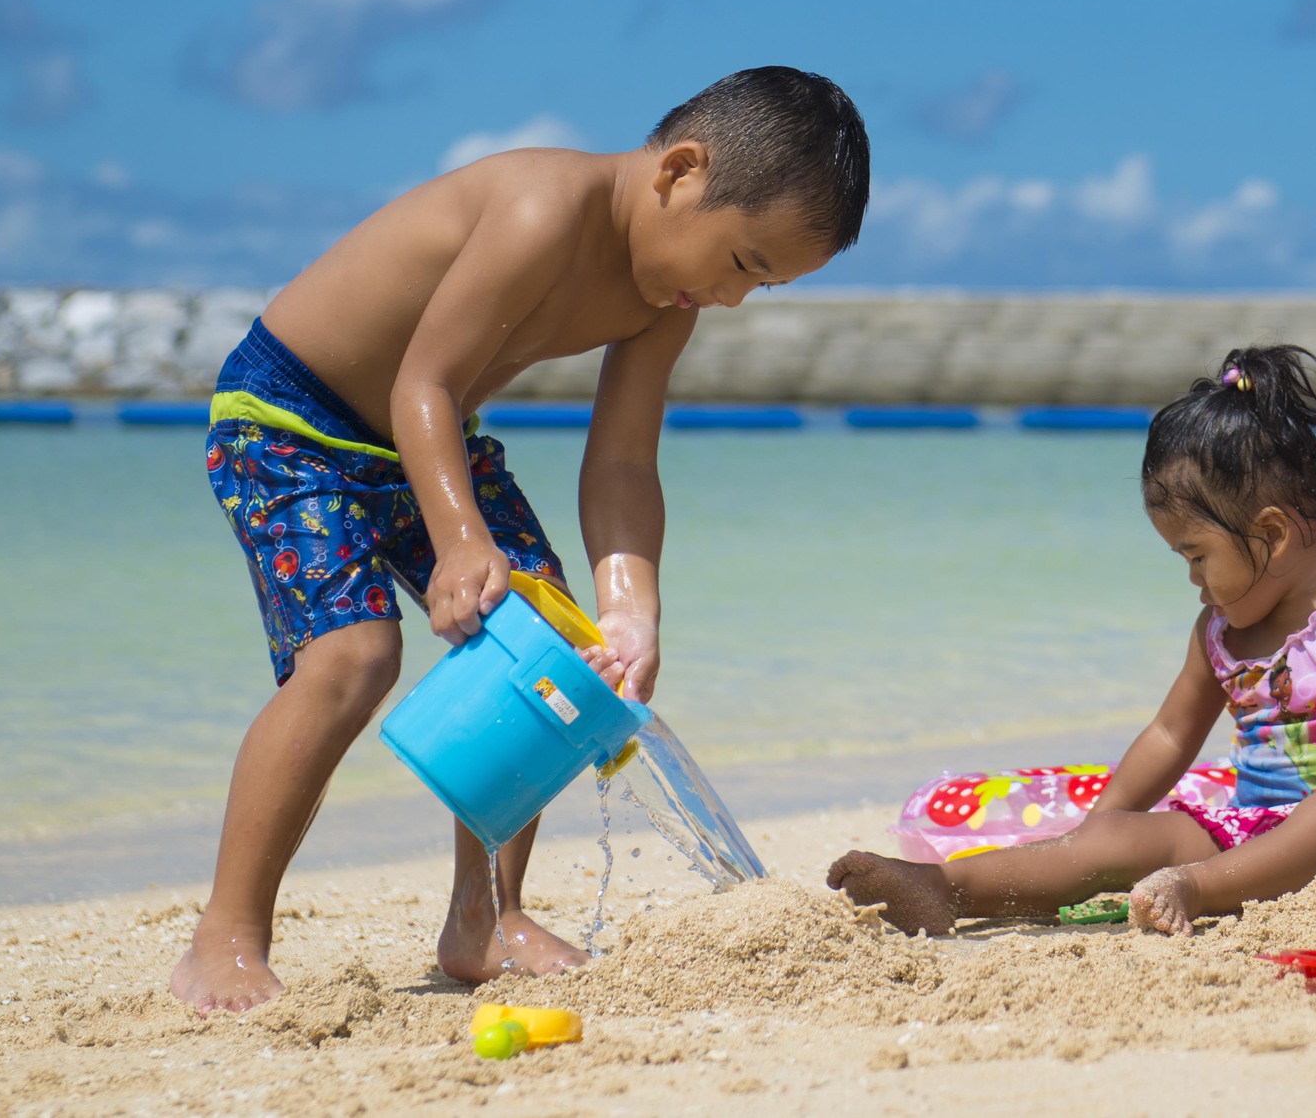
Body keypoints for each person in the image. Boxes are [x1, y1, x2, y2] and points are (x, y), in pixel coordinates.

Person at [171, 66, 870, 1012]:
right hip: (291, 417)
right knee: (352, 656)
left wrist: (632, 607)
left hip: (428, 432)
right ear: (681, 173)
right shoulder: (546, 207)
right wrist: (461, 541)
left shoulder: (670, 296)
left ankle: (484, 919)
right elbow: (425, 380)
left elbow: (623, 460)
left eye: (765, 285)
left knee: (553, 647)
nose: (735, 300)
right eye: (744, 264)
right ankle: (227, 935)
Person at [826, 346, 1316, 937]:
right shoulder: (1220, 632)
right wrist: (1104, 823)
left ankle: (1194, 891)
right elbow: (1169, 735)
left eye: (1196, 555)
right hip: (1242, 836)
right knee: (1112, 845)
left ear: (1271, 535)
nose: (1192, 578)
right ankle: (948, 887)